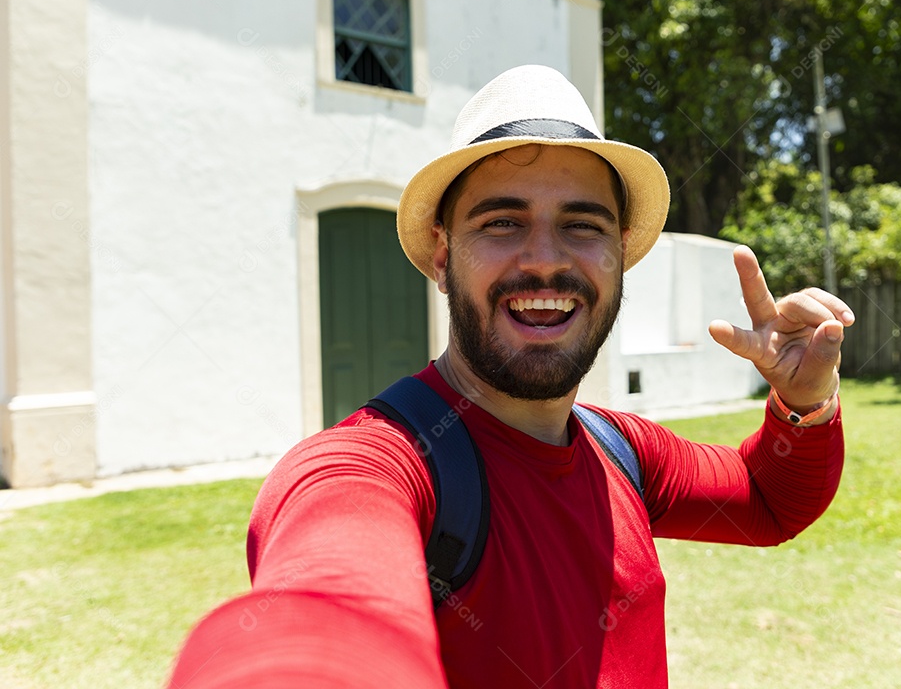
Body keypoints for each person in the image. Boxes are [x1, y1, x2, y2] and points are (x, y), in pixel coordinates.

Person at [168, 65, 852, 688]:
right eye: (503, 222)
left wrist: (803, 397)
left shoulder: (622, 450)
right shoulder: (378, 465)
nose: (545, 261)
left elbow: (768, 499)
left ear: (618, 257)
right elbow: (322, 619)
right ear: (442, 255)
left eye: (582, 226)